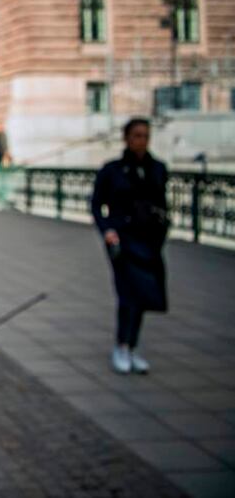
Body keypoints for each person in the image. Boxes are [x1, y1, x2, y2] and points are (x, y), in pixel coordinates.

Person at [90, 118, 169, 375]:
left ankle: (132, 346)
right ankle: (122, 345)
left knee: (144, 295)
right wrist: (108, 230)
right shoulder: (112, 170)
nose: (141, 141)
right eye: (136, 135)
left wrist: (162, 230)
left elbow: (162, 205)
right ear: (126, 138)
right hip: (122, 242)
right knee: (128, 294)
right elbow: (96, 205)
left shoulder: (157, 169)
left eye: (145, 135)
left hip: (148, 242)